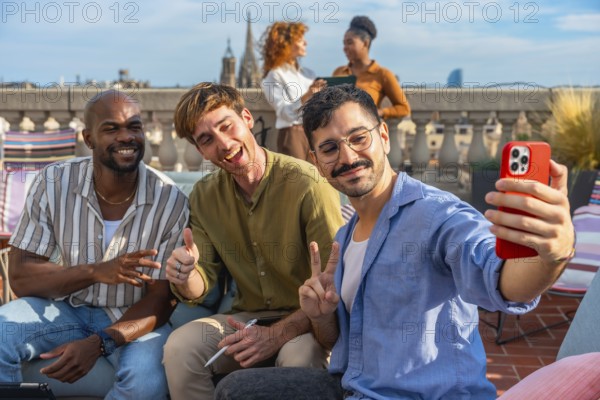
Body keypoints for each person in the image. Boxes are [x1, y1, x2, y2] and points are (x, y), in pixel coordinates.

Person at [213, 84, 576, 399]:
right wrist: (320, 316)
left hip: (424, 394)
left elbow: (502, 282)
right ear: (316, 161)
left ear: (383, 137)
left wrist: (551, 255)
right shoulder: (345, 235)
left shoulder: (437, 216)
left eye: (359, 138)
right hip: (355, 387)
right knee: (235, 390)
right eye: (330, 149)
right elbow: (332, 342)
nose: (348, 157)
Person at [0, 90, 189, 399]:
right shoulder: (54, 182)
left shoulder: (169, 200)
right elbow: (21, 277)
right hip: (65, 308)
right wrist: (95, 271)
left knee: (146, 384)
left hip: (133, 318)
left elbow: (162, 300)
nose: (126, 136)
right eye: (111, 128)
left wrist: (100, 342)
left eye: (135, 127)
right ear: (88, 138)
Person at [162, 82, 344, 400]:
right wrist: (186, 273)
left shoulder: (308, 184)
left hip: (306, 322)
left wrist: (276, 335)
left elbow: (336, 288)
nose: (224, 143)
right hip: (245, 319)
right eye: (207, 139)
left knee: (299, 359)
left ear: (246, 118)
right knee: (180, 348)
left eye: (226, 126)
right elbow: (200, 283)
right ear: (199, 150)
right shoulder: (204, 196)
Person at [260, 21, 325, 162]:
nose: (305, 43)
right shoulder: (275, 75)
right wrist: (307, 96)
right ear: (286, 44)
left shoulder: (309, 73)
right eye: (300, 40)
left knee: (319, 180)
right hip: (292, 135)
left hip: (315, 131)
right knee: (298, 181)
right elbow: (284, 113)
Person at [333, 16, 410, 120]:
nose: (345, 48)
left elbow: (404, 108)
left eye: (350, 42)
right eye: (344, 43)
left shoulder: (382, 74)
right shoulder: (339, 72)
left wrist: (380, 112)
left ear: (365, 43)